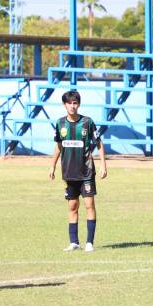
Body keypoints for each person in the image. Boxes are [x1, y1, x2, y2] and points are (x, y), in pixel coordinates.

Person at [48, 90, 107, 252]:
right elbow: (59, 145)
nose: (72, 106)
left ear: (78, 104)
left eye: (75, 103)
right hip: (68, 172)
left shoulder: (87, 123)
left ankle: (89, 242)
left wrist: (103, 164)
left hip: (86, 171)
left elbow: (99, 144)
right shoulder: (60, 124)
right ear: (64, 105)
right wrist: (52, 165)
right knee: (72, 206)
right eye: (69, 103)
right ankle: (74, 242)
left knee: (89, 204)